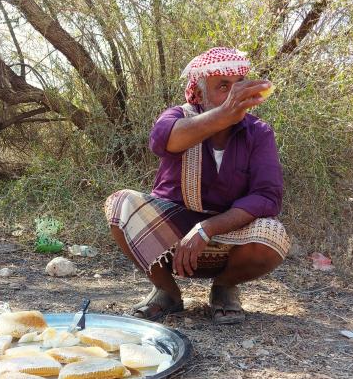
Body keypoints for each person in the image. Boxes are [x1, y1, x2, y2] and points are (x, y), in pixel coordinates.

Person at [104, 47, 289, 324]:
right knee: (120, 204)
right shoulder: (178, 116)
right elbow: (161, 141)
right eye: (223, 86)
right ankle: (166, 292)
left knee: (273, 234)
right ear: (200, 94)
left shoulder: (258, 132)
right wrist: (224, 115)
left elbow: (267, 196)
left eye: (239, 85)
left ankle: (224, 288)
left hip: (228, 235)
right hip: (172, 240)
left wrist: (207, 228)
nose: (235, 94)